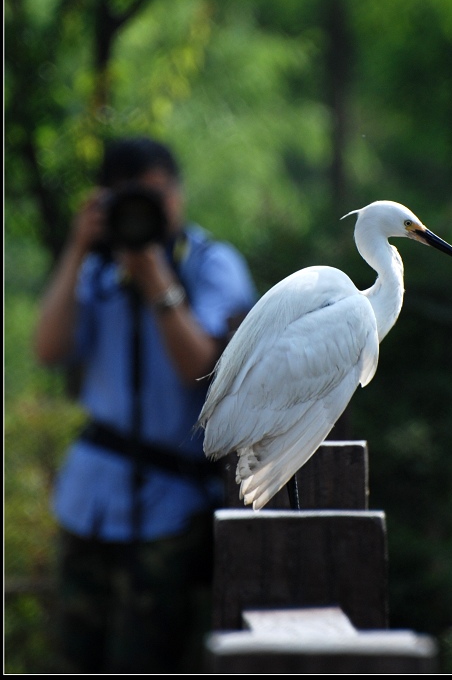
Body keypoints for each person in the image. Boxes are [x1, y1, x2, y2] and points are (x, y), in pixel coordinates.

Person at [34, 136, 257, 673]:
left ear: (178, 194)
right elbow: (48, 350)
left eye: (158, 195)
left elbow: (197, 365)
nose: (152, 210)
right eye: (131, 199)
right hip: (87, 499)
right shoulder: (97, 269)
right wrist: (77, 249)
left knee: (148, 660)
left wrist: (155, 276)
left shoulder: (211, 264)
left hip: (169, 507)